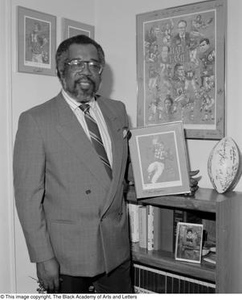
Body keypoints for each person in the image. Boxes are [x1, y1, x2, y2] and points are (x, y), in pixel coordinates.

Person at [13, 34, 133, 294]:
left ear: (101, 72)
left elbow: (122, 173)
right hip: (67, 254)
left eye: (93, 65)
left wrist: (168, 177)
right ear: (60, 70)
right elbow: (27, 198)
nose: (86, 71)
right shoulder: (36, 120)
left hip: (116, 249)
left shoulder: (118, 110)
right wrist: (43, 257)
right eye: (77, 63)